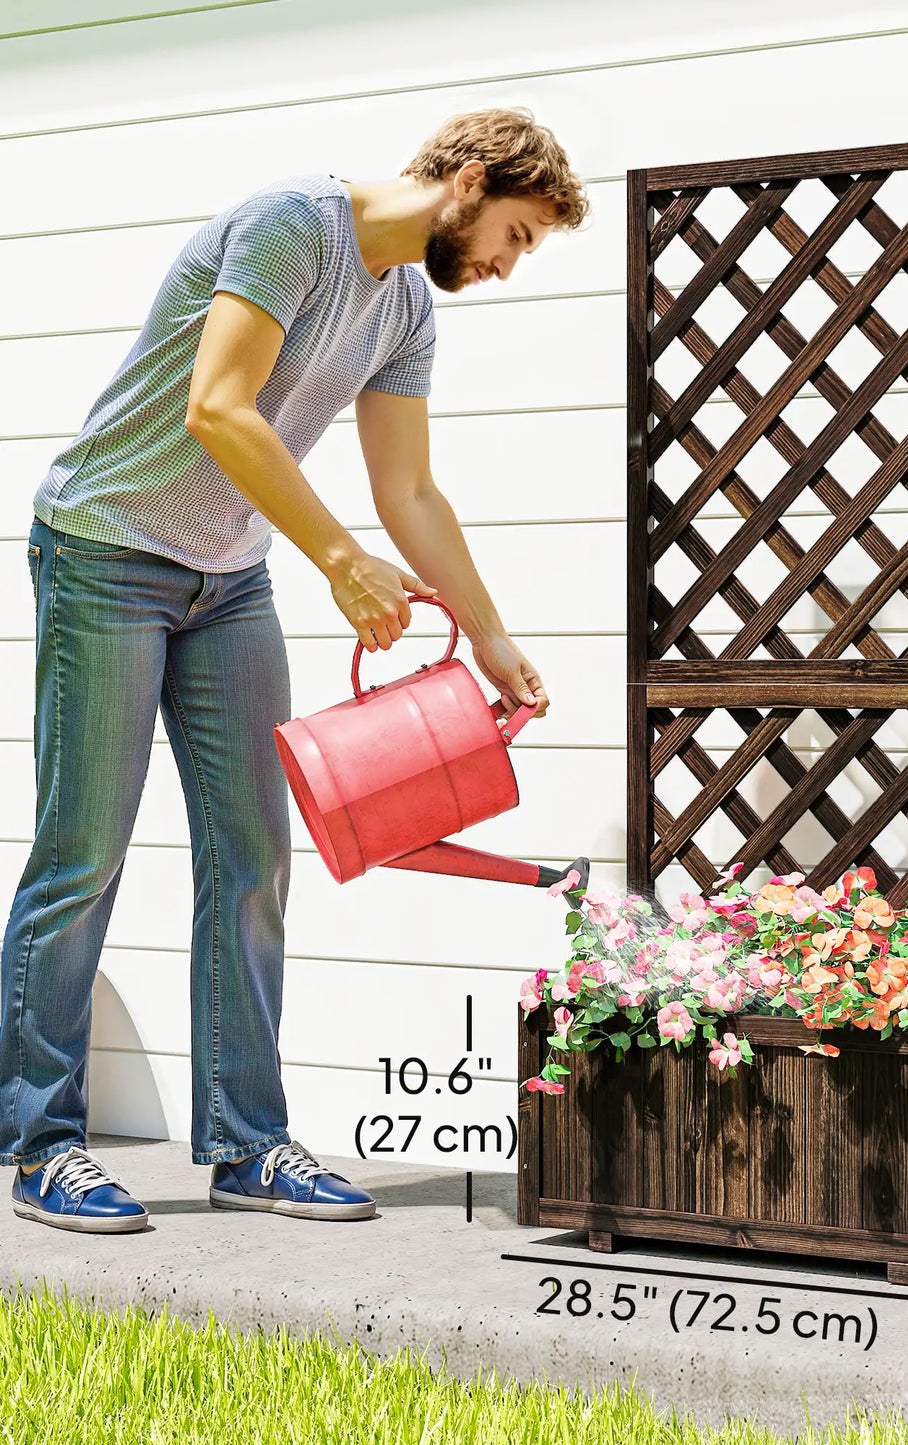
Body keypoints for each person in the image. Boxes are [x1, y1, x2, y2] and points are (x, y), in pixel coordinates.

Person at [2, 107, 589, 1233]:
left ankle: (246, 1142)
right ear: (467, 180)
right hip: (105, 553)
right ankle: (40, 1142)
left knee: (255, 854)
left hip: (229, 580)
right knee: (84, 849)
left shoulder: (408, 305)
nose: (511, 266)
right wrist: (337, 559)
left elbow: (407, 491)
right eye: (515, 234)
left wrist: (494, 631)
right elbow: (216, 406)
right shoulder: (292, 227)